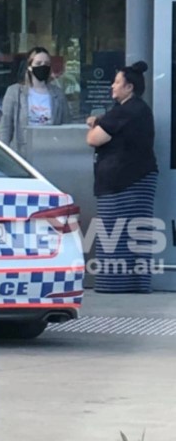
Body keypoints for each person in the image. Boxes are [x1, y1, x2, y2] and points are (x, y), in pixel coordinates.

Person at [85, 61, 158, 294]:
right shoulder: (140, 110)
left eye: (117, 82)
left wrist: (94, 123)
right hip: (138, 178)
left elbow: (94, 139)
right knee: (136, 235)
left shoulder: (125, 110)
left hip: (122, 182)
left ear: (129, 87)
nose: (112, 86)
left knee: (113, 233)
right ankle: (136, 284)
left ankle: (113, 285)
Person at [0, 47, 71, 157]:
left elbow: (65, 125)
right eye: (38, 63)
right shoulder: (15, 92)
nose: (43, 66)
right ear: (30, 66)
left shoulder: (58, 94)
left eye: (46, 63)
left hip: (50, 153)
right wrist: (4, 155)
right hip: (22, 154)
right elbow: (5, 126)